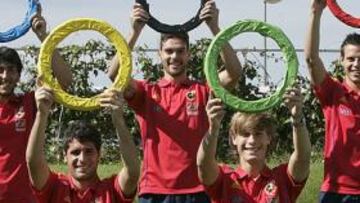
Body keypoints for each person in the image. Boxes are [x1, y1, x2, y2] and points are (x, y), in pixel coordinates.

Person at [107, 1, 242, 202]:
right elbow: (115, 74)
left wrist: (214, 27)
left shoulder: (203, 90)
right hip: (154, 192)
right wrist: (135, 31)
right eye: (169, 51)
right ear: (160, 54)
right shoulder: (146, 92)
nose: (174, 56)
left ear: (188, 54)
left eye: (180, 51)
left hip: (198, 190)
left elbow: (234, 73)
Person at [0, 10, 72, 203]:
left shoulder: (30, 103)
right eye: (0, 70)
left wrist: (43, 36)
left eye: (11, 70)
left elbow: (65, 80)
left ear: (18, 75)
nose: (5, 76)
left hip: (26, 197)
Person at [26, 86, 140, 202]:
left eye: (89, 151)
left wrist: (118, 119)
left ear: (99, 154)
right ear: (65, 156)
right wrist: (42, 113)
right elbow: (33, 162)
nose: (82, 159)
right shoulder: (56, 186)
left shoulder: (111, 189)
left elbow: (133, 171)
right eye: (75, 152)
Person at [197, 86, 311, 203]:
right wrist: (213, 128)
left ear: (269, 138)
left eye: (258, 134)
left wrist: (297, 118)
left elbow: (303, 156)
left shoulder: (282, 178)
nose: (252, 140)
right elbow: (202, 164)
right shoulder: (224, 180)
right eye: (245, 134)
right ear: (233, 138)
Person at [304, 0, 360, 201]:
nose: (356, 64)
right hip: (336, 192)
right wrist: (315, 12)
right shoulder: (333, 92)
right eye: (351, 59)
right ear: (341, 60)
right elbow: (311, 59)